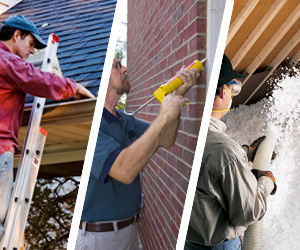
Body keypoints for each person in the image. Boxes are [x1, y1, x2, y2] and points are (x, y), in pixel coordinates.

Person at [75, 58, 200, 250]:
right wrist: (164, 115)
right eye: (117, 66)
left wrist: (178, 93)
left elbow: (166, 138)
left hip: (129, 230)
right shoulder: (93, 124)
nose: (125, 68)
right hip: (98, 238)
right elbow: (124, 171)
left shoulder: (124, 120)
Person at [0, 15, 94, 234]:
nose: (32, 51)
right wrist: (75, 87)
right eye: (31, 43)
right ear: (16, 35)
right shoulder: (7, 61)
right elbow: (36, 79)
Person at [185, 54, 277, 250]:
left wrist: (245, 154)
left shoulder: (182, 132)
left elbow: (209, 168)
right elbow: (248, 212)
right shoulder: (224, 150)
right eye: (234, 87)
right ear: (222, 93)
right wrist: (266, 182)